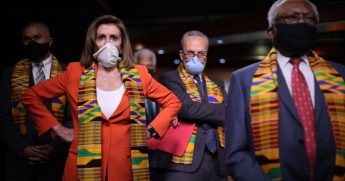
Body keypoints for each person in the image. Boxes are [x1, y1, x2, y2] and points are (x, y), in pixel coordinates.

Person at [20, 15, 181, 181]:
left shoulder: (139, 74)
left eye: (114, 38)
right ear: (93, 42)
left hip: (126, 167)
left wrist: (152, 129)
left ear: (122, 44)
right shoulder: (75, 72)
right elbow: (31, 96)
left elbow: (173, 102)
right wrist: (58, 129)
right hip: (81, 165)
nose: (108, 43)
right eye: (101, 37)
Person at [225, 0, 345, 180]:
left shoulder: (340, 75)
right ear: (271, 31)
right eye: (292, 17)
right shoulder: (244, 79)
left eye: (309, 18)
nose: (302, 22)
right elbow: (236, 152)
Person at [150, 30, 228, 180]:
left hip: (217, 160)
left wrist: (223, 111)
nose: (196, 58)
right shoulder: (169, 78)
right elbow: (187, 109)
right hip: (181, 163)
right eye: (190, 53)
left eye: (201, 53)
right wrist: (223, 111)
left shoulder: (217, 83)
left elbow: (230, 114)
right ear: (181, 55)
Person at [0, 21, 71, 181]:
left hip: (57, 161)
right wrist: (22, 148)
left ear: (50, 41)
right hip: (19, 163)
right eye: (27, 39)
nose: (32, 43)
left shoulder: (68, 72)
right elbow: (4, 117)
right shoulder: (9, 73)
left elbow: (72, 117)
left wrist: (54, 148)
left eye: (37, 37)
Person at [134, 49, 160, 123]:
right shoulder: (128, 87)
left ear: (154, 67)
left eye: (149, 66)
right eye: (142, 66)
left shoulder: (159, 86)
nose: (145, 70)